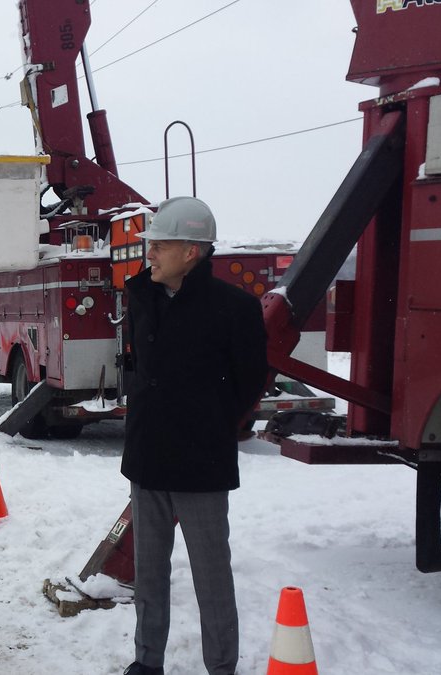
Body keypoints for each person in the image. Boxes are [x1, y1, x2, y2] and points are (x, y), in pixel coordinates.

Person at [119, 197, 268, 675]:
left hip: (202, 463)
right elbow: (138, 367)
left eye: (159, 245)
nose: (150, 254)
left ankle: (221, 667)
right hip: (147, 457)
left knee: (211, 576)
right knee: (149, 574)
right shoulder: (139, 295)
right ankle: (147, 661)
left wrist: (208, 420)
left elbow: (249, 382)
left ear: (192, 252)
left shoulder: (235, 309)